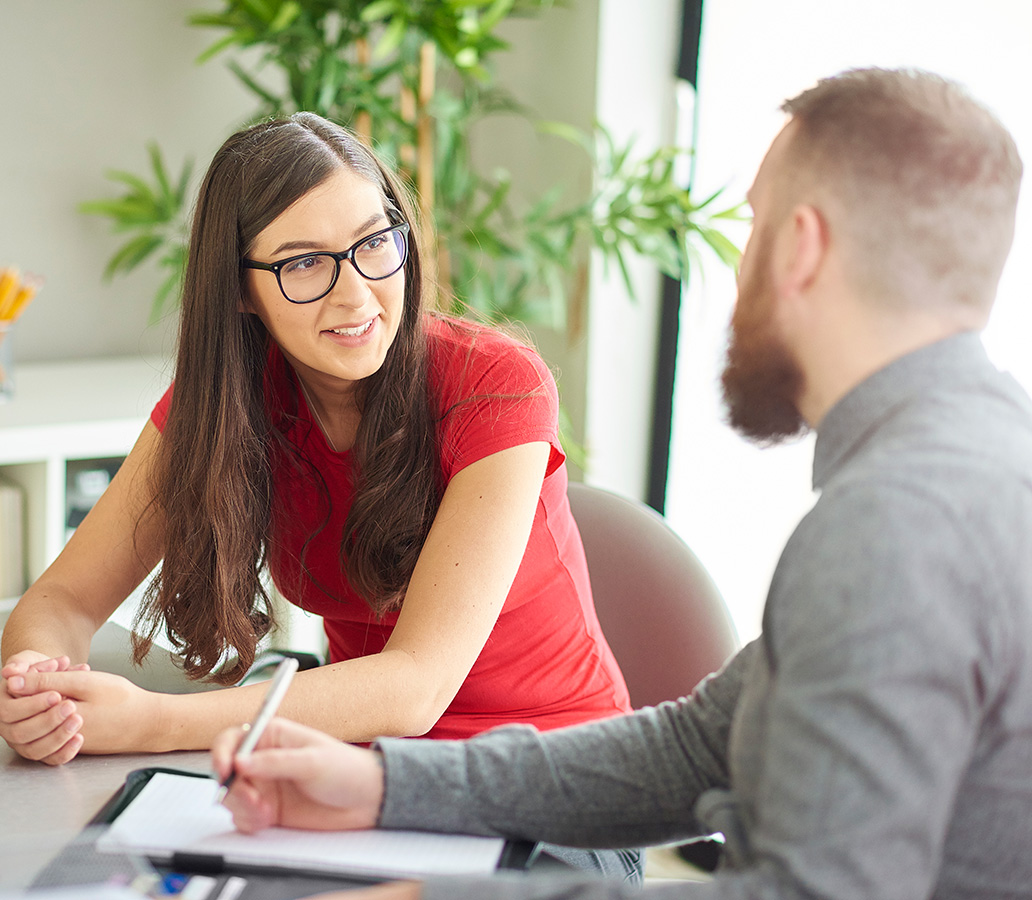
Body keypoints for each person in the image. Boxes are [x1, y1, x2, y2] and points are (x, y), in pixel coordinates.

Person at [213, 67, 1032, 899]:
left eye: (754, 224)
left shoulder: (904, 527)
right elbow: (704, 744)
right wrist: (388, 787)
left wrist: (447, 896)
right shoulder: (970, 464)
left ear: (803, 247)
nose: (737, 264)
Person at [0, 114, 631, 771]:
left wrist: (154, 722)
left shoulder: (494, 386)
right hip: (365, 771)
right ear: (240, 289)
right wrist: (38, 689)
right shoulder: (226, 408)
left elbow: (416, 687)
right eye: (303, 263)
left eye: (374, 243)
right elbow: (61, 601)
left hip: (560, 778)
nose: (356, 295)